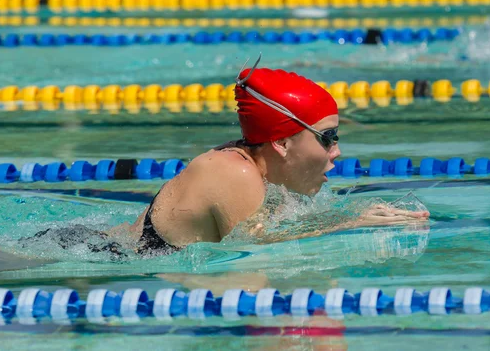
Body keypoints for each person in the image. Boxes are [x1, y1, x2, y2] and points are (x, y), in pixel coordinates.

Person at [128, 55, 429, 255]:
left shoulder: (258, 168)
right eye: (328, 138)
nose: (337, 151)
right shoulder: (236, 172)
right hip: (120, 265)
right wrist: (354, 222)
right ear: (282, 143)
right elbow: (255, 244)